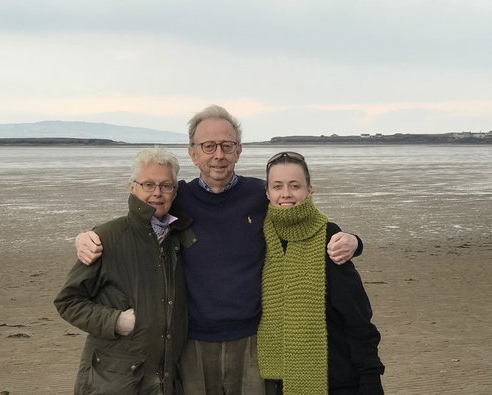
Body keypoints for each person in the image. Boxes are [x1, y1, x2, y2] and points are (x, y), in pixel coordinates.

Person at [74, 105, 363, 394]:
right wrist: (87, 236)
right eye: (208, 146)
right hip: (192, 343)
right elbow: (137, 222)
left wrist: (353, 241)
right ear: (193, 152)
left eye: (226, 145)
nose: (218, 155)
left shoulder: (260, 194)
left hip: (252, 340)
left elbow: (304, 220)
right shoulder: (178, 197)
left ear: (239, 150)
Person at [54, 147, 195, 394]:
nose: (157, 193)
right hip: (114, 381)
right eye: (148, 184)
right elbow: (68, 301)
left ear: (175, 190)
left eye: (166, 185)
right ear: (133, 187)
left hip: (165, 379)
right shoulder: (107, 237)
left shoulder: (179, 237)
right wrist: (115, 321)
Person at [259, 151, 384, 395]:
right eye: (278, 186)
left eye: (295, 185)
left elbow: (357, 314)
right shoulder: (259, 238)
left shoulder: (330, 237)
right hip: (276, 380)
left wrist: (370, 375)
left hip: (335, 379)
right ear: (267, 192)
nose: (286, 194)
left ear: (309, 190)